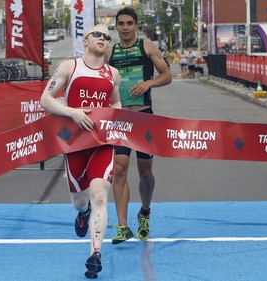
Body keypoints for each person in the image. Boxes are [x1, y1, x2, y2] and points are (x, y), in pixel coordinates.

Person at [40, 24, 121, 278]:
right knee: (80, 201)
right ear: (86, 41)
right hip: (74, 143)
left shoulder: (113, 73)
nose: (103, 39)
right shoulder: (69, 67)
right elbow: (46, 99)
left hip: (102, 143)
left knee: (99, 196)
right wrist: (72, 112)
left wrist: (114, 117)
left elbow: (116, 101)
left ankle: (95, 254)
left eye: (107, 38)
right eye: (98, 34)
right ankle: (83, 214)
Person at [106, 7, 172, 244]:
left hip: (144, 119)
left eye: (129, 23)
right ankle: (122, 226)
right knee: (120, 169)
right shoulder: (109, 52)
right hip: (120, 120)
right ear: (116, 27)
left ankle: (144, 212)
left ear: (136, 25)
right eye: (121, 24)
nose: (125, 27)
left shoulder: (147, 47)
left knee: (145, 173)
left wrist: (148, 84)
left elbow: (167, 75)